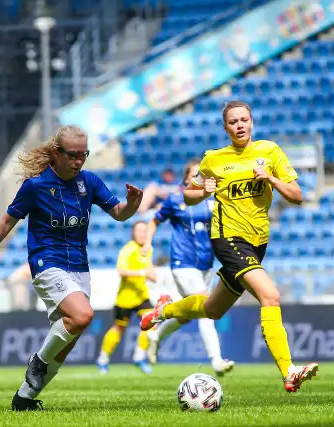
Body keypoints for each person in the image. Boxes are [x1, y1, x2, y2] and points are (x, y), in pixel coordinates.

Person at [140, 100, 319, 393]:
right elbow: (188, 196)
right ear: (225, 128)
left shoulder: (270, 151)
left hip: (257, 241)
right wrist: (203, 191)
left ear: (251, 122)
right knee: (270, 296)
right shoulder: (213, 159)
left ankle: (163, 311)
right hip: (227, 238)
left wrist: (271, 178)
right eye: (233, 121)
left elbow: (297, 195)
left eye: (244, 119)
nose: (239, 125)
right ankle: (288, 370)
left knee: (212, 309)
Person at [0, 125, 143, 411]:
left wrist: (133, 205)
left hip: (79, 266)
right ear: (56, 152)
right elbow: (6, 222)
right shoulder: (36, 186)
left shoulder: (90, 182)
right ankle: (37, 360)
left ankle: (23, 399)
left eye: (83, 155)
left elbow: (119, 214)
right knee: (83, 315)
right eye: (73, 155)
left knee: (66, 343)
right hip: (46, 262)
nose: (79, 161)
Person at [141, 158, 234, 376]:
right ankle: (217, 361)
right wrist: (147, 243)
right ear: (186, 178)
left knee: (186, 315)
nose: (199, 178)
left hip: (206, 264)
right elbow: (154, 220)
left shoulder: (213, 200)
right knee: (205, 307)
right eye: (194, 175)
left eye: (202, 174)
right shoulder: (175, 200)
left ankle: (156, 336)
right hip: (183, 263)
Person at [96, 221, 158, 374]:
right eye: (139, 231)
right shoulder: (128, 249)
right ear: (133, 233)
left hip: (141, 295)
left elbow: (149, 269)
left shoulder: (148, 249)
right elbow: (121, 270)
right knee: (119, 328)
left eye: (144, 231)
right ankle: (103, 359)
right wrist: (142, 273)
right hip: (125, 298)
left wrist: (152, 275)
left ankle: (139, 356)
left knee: (152, 323)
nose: (142, 234)